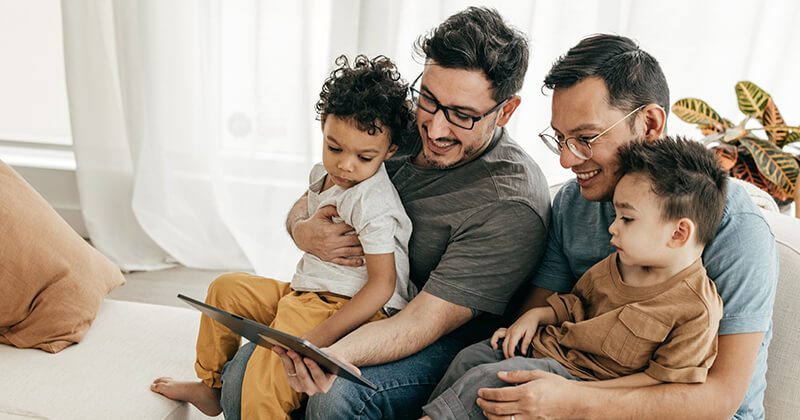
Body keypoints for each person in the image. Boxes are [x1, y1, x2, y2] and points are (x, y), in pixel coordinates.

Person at [221, 7, 552, 420]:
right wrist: (301, 230)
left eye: (463, 115)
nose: (435, 129)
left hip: (439, 336)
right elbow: (322, 188)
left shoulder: (510, 202)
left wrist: (324, 351)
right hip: (349, 299)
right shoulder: (396, 127)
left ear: (506, 110)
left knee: (334, 394)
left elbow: (424, 322)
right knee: (241, 374)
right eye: (428, 99)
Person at [476, 34, 777, 420]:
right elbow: (535, 325)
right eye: (561, 139)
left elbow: (720, 398)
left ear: (650, 124)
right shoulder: (573, 204)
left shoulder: (733, 226)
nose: (568, 160)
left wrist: (571, 401)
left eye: (585, 139)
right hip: (577, 381)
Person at [150, 54, 419, 419]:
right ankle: (211, 387)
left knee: (266, 374)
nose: (345, 165)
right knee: (225, 290)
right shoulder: (325, 176)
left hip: (342, 307)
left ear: (389, 152)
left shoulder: (372, 201)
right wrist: (301, 229)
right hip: (305, 293)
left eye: (364, 156)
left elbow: (383, 285)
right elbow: (304, 212)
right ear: (323, 126)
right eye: (334, 148)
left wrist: (317, 339)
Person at [422, 137, 727, 420]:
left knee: (492, 382)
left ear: (678, 233)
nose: (613, 228)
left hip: (586, 384)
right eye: (616, 217)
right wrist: (535, 316)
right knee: (471, 357)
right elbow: (574, 305)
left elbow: (661, 382)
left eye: (627, 219)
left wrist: (580, 394)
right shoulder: (616, 264)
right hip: (549, 351)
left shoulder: (696, 309)